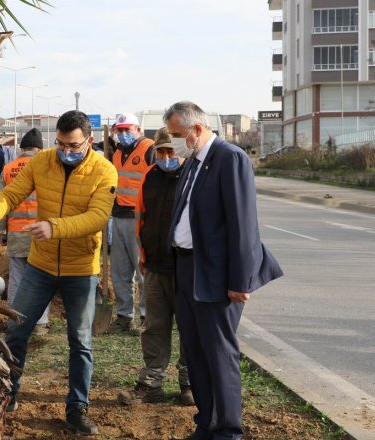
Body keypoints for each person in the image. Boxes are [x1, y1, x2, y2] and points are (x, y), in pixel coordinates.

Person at [0, 110, 117, 436]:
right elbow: (12, 193)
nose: (66, 151)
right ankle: (7, 395)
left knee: (80, 341)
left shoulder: (104, 171)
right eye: (60, 143)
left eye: (73, 146)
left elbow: (98, 217)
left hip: (81, 270)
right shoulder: (41, 161)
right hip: (40, 266)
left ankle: (77, 409)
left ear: (88, 141)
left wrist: (53, 227)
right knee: (16, 331)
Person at [164, 101, 283, 440]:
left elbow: (243, 225)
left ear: (197, 130)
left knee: (219, 354)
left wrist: (240, 280)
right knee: (196, 352)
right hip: (187, 269)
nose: (173, 142)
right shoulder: (192, 163)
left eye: (177, 135)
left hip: (217, 277)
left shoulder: (229, 158)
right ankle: (208, 423)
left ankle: (228, 430)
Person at [118, 128, 194, 406]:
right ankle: (151, 385)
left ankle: (189, 385)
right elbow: (141, 218)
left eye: (170, 151)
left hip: (186, 268)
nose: (164, 157)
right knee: (154, 327)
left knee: (189, 327)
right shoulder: (148, 177)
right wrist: (142, 253)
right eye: (160, 152)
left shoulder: (194, 177)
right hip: (154, 266)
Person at [0, 128, 50, 335]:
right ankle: (40, 323)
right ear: (39, 149)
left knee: (17, 280)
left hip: (17, 233)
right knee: (42, 279)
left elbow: (1, 201)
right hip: (41, 234)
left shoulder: (8, 168)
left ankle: (16, 320)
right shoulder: (45, 167)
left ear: (23, 148)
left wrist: (2, 232)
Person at [109, 112, 156, 333]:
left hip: (139, 218)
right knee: (119, 271)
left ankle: (148, 317)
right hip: (118, 215)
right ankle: (124, 317)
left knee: (142, 270)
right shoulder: (117, 151)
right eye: (120, 130)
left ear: (137, 130)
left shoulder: (149, 149)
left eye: (128, 129)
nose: (124, 133)